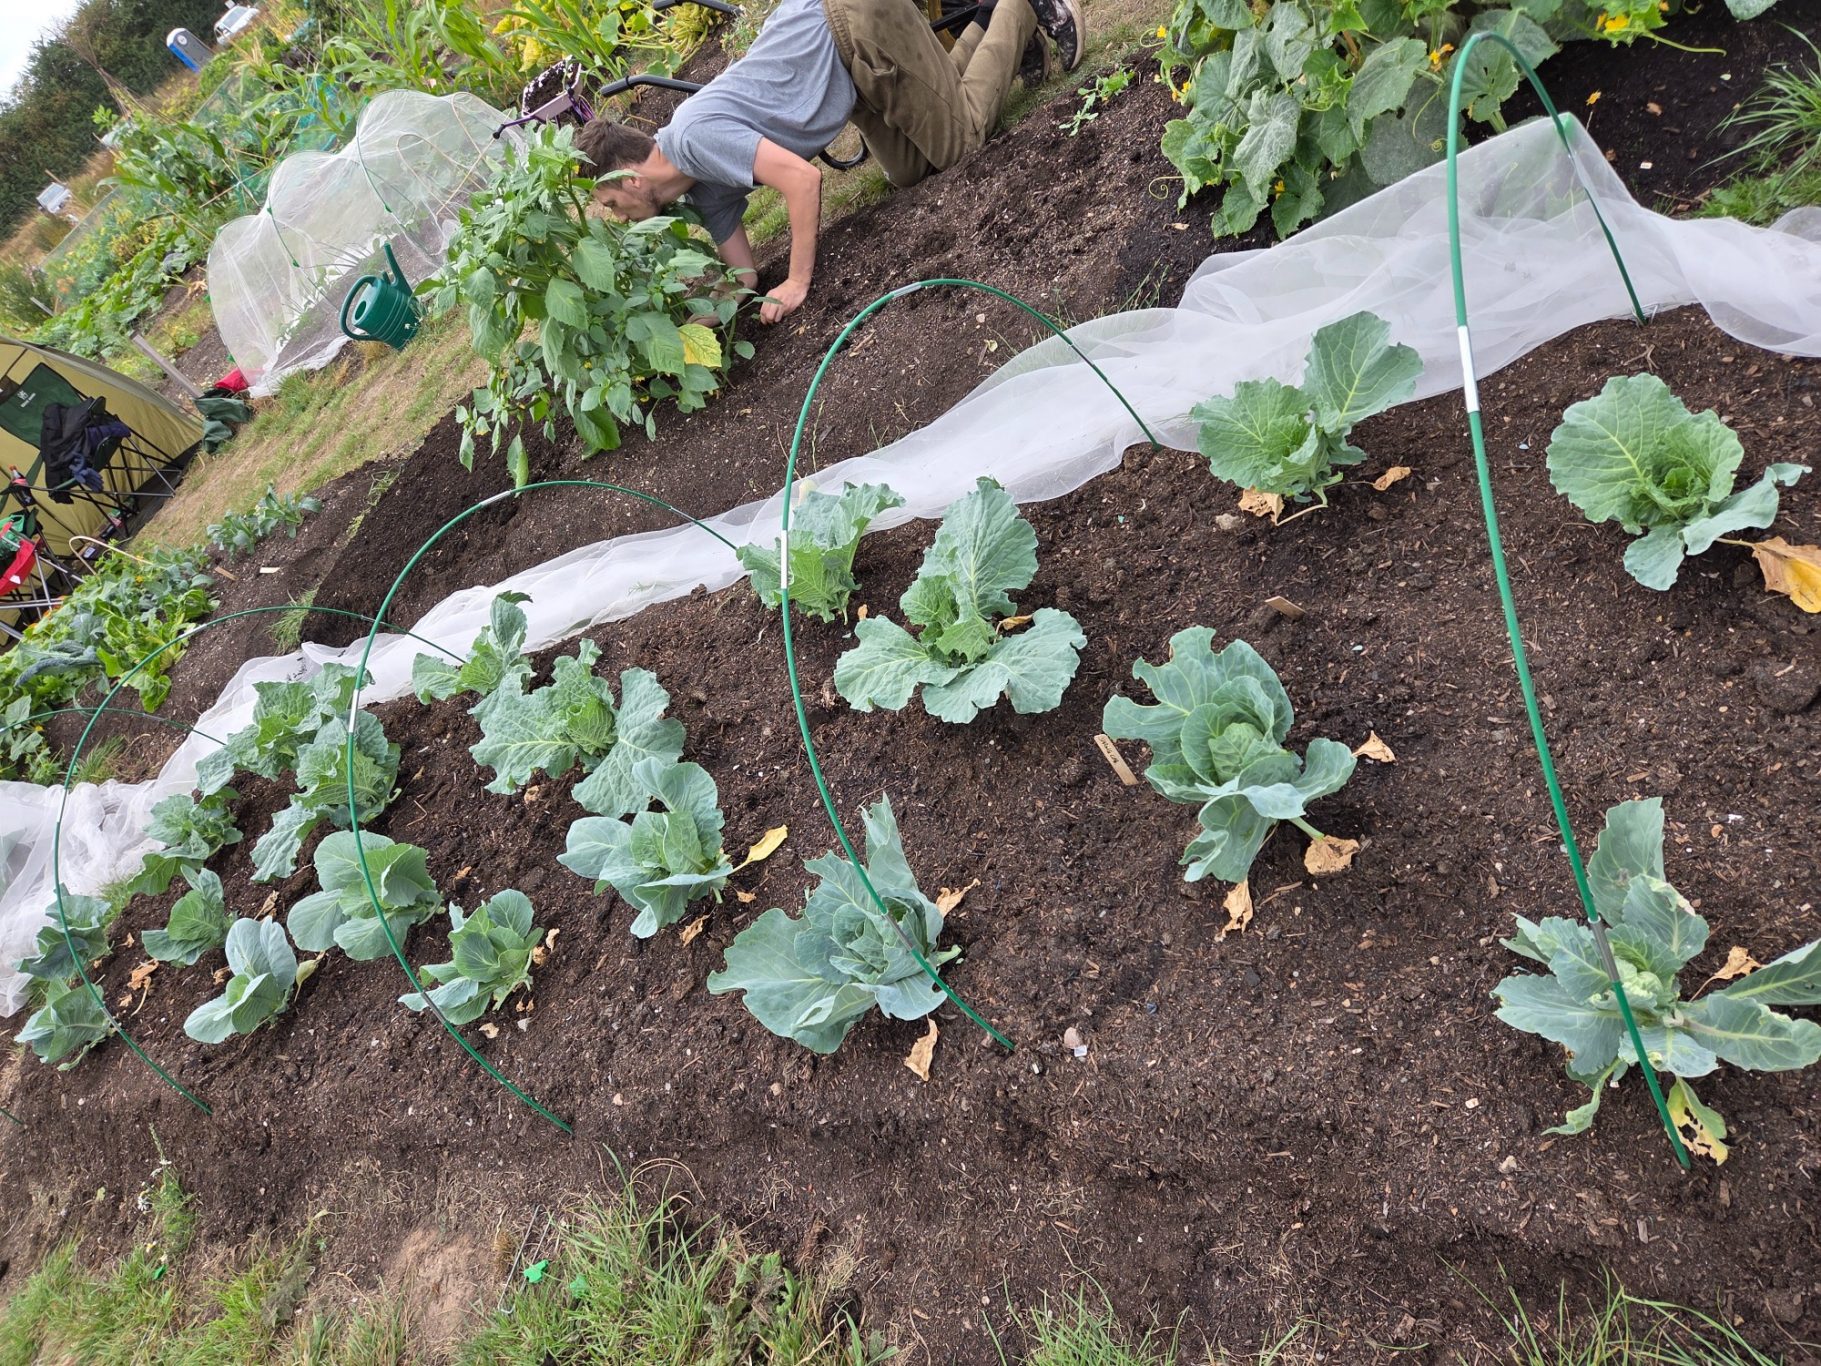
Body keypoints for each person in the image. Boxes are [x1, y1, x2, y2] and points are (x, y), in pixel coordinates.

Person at [576, 0, 1085, 325]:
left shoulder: (692, 138)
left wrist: (797, 282)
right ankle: (991, 25)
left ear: (630, 177)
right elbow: (746, 277)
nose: (619, 218)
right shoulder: (695, 186)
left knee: (961, 146)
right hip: (851, 76)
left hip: (854, 22)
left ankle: (1022, 10)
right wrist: (684, 333)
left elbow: (803, 181)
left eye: (612, 204)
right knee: (912, 170)